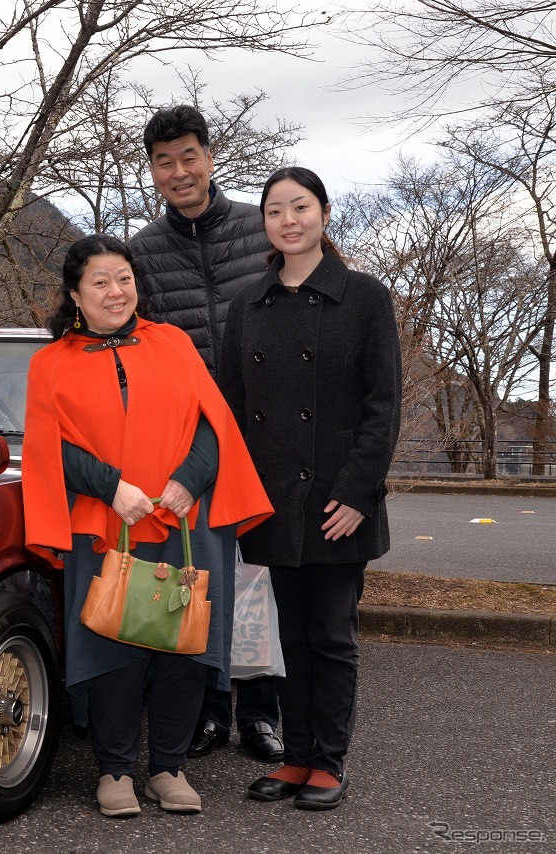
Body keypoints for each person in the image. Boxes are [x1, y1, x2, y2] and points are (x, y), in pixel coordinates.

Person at [23, 234, 272, 818]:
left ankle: (168, 767)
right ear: (75, 295)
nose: (116, 291)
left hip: (186, 519)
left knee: (182, 643)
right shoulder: (49, 364)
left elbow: (214, 422)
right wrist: (113, 489)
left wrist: (189, 480)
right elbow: (47, 446)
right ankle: (114, 770)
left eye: (124, 278)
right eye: (101, 282)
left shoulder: (174, 343)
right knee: (116, 642)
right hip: (107, 521)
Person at [218, 167, 401, 810]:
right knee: (286, 639)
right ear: (263, 223)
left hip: (336, 502)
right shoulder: (247, 306)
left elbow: (383, 407)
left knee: (331, 635)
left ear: (325, 213)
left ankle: (328, 762)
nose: (288, 220)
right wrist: (241, 498)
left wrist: (357, 494)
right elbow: (231, 412)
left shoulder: (364, 297)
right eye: (274, 210)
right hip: (274, 502)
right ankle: (294, 757)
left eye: (300, 207)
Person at [127, 104, 284, 764]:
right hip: (189, 439)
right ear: (154, 171)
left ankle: (263, 712)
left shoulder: (262, 229)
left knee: (261, 577)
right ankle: (207, 709)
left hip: (268, 432)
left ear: (210, 157)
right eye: (165, 161)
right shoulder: (141, 253)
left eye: (189, 156)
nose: (179, 171)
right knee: (199, 575)